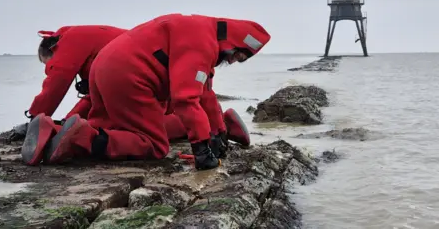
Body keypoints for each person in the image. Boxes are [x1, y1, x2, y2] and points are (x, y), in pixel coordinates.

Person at [21, 13, 270, 171]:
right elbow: (185, 99)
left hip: (107, 71)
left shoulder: (199, 30)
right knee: (153, 145)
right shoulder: (202, 43)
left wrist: (217, 131)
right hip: (131, 77)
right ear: (234, 42)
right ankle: (81, 138)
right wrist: (201, 149)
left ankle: (51, 130)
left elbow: (204, 92)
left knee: (112, 126)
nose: (235, 61)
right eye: (238, 55)